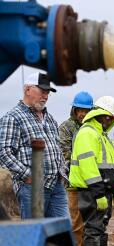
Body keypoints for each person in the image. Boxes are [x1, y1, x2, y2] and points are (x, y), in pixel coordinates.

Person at [0, 72, 69, 219]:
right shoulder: (12, 117)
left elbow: (56, 148)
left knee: (62, 233)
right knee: (36, 235)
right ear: (27, 89)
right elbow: (3, 153)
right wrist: (28, 175)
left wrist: (62, 170)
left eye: (48, 92)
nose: (45, 96)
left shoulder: (50, 119)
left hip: (56, 186)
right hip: (32, 188)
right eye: (42, 91)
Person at [69, 96, 114, 246]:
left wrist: (113, 188)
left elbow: (108, 166)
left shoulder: (100, 135)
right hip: (91, 192)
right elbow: (88, 166)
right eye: (109, 118)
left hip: (101, 191)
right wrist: (99, 194)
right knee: (93, 231)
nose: (110, 122)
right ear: (101, 115)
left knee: (100, 229)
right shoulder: (88, 133)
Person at [59, 91, 93, 246]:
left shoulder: (93, 128)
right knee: (76, 224)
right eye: (81, 110)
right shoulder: (66, 127)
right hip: (74, 184)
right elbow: (64, 155)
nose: (83, 114)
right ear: (74, 110)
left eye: (87, 111)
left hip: (91, 183)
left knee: (91, 225)